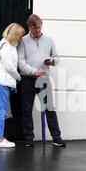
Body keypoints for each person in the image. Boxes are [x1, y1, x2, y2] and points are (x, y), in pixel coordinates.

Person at [17, 14, 66, 147]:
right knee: (27, 110)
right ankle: (28, 139)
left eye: (39, 28)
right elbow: (20, 62)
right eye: (35, 29)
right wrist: (34, 71)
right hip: (27, 79)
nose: (38, 31)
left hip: (44, 79)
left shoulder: (49, 40)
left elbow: (56, 57)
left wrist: (53, 61)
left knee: (50, 108)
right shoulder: (22, 41)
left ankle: (56, 138)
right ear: (29, 27)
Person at [0, 23, 26, 148]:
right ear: (15, 35)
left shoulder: (7, 45)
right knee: (1, 110)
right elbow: (9, 67)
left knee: (1, 110)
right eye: (21, 36)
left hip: (2, 81)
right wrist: (19, 77)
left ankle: (0, 138)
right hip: (2, 81)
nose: (22, 38)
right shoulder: (7, 46)